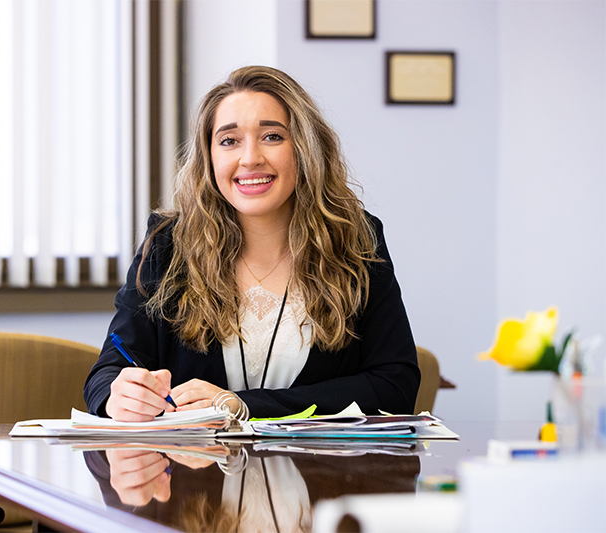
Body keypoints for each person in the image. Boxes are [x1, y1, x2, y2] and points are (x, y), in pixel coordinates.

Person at [84, 65, 420, 421]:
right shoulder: (168, 245)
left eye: (272, 136)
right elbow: (108, 372)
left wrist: (243, 406)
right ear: (209, 158)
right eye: (229, 141)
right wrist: (116, 395)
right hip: (192, 470)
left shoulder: (356, 240)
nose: (250, 158)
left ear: (304, 149)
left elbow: (395, 386)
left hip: (321, 473)